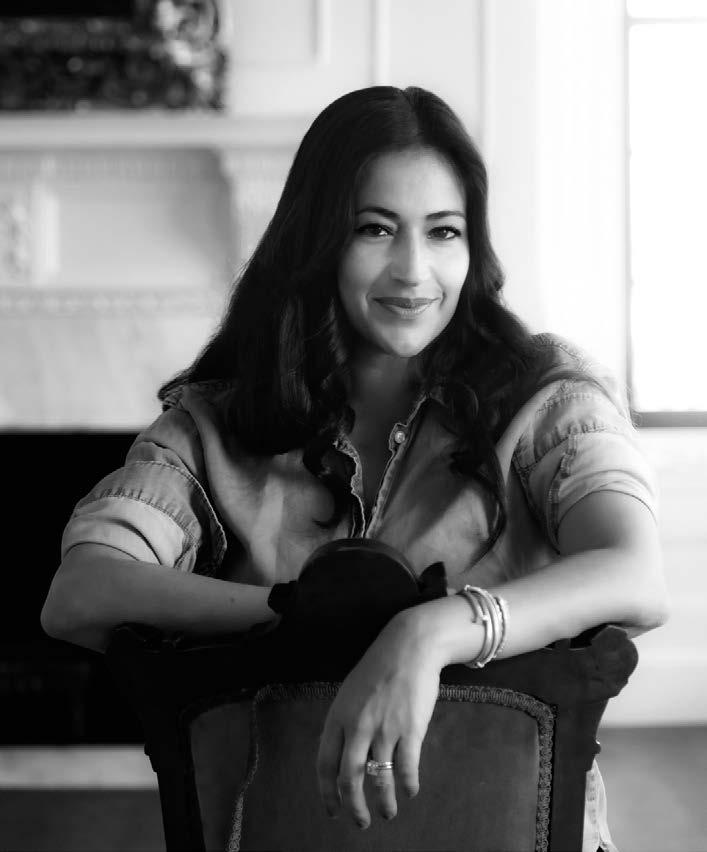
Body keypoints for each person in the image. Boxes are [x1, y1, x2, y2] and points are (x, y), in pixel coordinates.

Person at [41, 85, 669, 851]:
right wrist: (302, 616)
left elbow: (635, 576)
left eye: (443, 232)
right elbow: (79, 594)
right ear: (316, 241)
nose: (413, 270)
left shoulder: (545, 397)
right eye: (375, 229)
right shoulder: (212, 425)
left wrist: (430, 631)